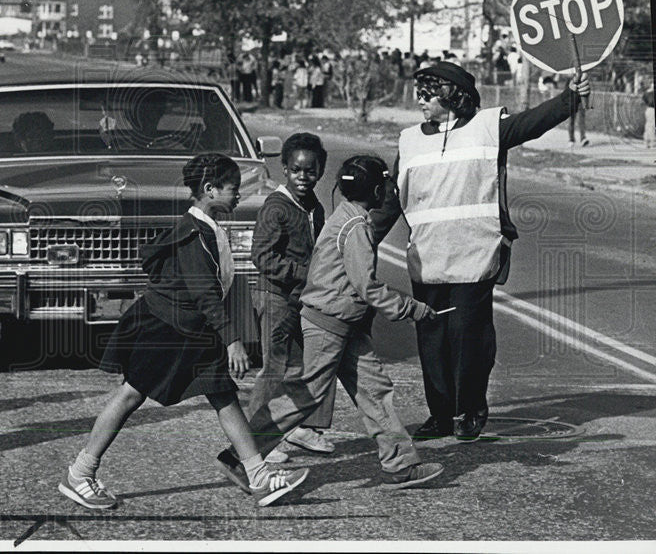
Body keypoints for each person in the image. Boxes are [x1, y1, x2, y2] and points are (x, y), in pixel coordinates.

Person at [59, 154, 309, 510]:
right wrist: (233, 340)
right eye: (232, 189)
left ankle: (258, 475)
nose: (238, 195)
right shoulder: (195, 234)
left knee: (223, 395)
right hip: (166, 328)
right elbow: (206, 293)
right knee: (132, 394)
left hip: (191, 329)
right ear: (209, 190)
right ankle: (80, 474)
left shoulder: (208, 227)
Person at [390, 60, 591, 442]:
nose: (420, 100)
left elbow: (533, 122)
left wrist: (570, 99)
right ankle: (440, 414)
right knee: (432, 342)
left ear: (451, 95)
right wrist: (360, 238)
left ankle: (470, 409)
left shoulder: (488, 127)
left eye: (427, 92)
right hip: (428, 259)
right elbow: (390, 201)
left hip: (476, 255)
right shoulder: (409, 139)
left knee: (468, 338)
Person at [215, 155, 444, 490]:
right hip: (327, 325)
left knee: (374, 391)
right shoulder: (356, 228)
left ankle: (401, 465)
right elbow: (367, 286)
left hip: (344, 324)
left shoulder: (346, 216)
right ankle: (241, 456)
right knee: (305, 396)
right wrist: (412, 308)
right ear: (378, 190)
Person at [247, 133, 335, 462]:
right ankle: (256, 440)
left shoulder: (314, 206)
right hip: (275, 298)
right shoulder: (276, 207)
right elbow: (262, 256)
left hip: (300, 300)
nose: (303, 177)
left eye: (310, 171)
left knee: (300, 365)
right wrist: (304, 273)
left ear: (320, 171)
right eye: (296, 170)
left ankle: (295, 426)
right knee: (274, 367)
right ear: (284, 168)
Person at [643, 80, 655, 149]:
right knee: (652, 126)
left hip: (648, 110)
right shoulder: (651, 93)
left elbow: (645, 101)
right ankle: (651, 143)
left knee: (648, 126)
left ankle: (646, 142)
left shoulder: (647, 92)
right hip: (652, 110)